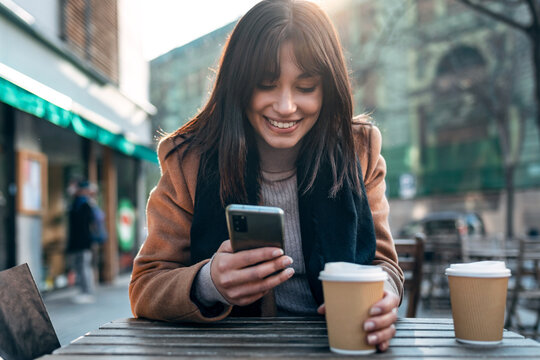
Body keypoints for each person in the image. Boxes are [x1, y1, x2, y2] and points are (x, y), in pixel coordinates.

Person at [129, 0, 403, 352]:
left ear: (327, 88)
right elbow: (145, 287)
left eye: (306, 88)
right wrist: (208, 283)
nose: (286, 106)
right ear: (239, 85)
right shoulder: (189, 160)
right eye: (266, 85)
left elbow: (385, 266)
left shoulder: (358, 150)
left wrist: (384, 295)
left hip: (341, 347)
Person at [66, 180, 96, 303]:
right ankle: (84, 291)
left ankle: (87, 292)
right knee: (80, 267)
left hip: (84, 242)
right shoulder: (77, 204)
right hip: (78, 243)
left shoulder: (85, 205)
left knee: (84, 267)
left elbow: (84, 226)